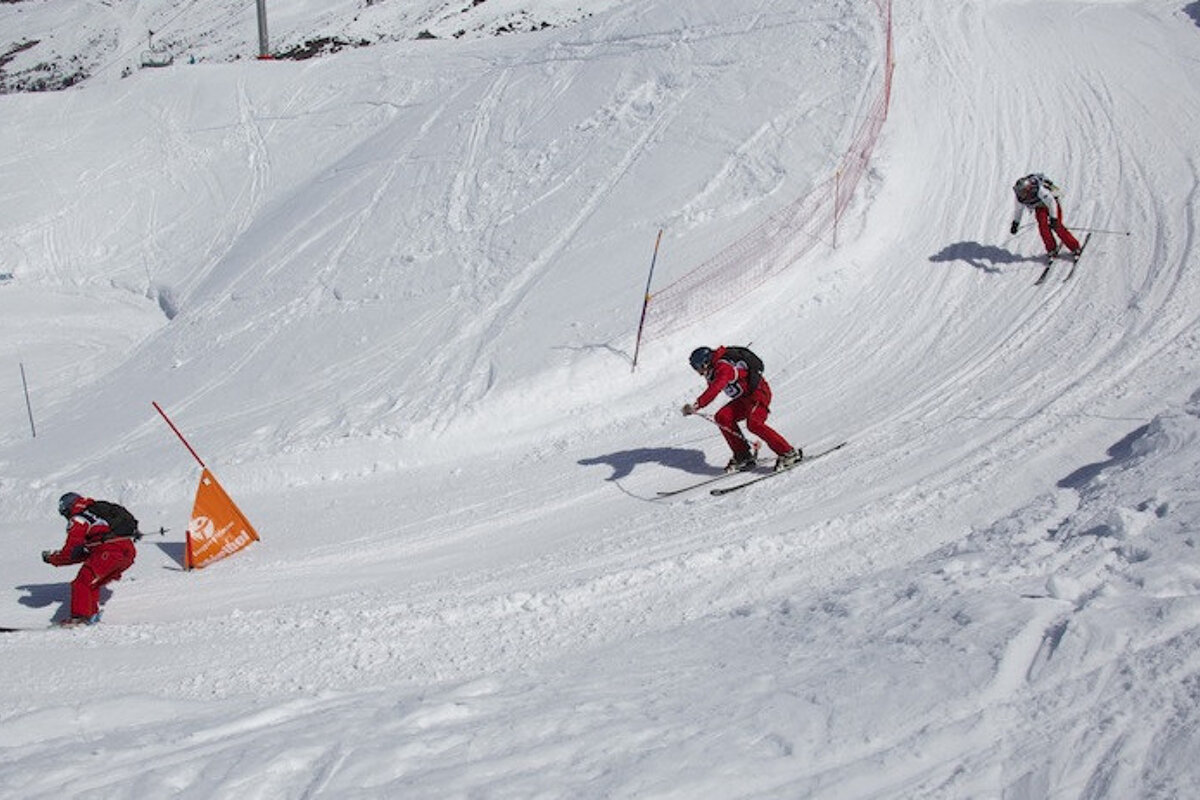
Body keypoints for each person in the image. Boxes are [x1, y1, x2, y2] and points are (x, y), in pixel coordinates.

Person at [681, 346, 801, 473]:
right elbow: (713, 387)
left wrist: (697, 405)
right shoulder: (712, 372)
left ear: (706, 362)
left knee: (753, 424)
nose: (698, 372)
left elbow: (715, 388)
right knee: (722, 417)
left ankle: (788, 452)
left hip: (758, 394)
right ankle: (743, 455)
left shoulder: (723, 367)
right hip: (744, 399)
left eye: (698, 367)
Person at [42, 492, 138, 626]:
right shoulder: (95, 512)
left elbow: (71, 550)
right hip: (127, 552)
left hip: (109, 553)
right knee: (91, 584)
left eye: (64, 513)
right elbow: (83, 553)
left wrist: (53, 559)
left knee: (81, 583)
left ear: (68, 508)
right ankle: (91, 616)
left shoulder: (79, 519)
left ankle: (80, 618)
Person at [1009, 173, 1082, 259]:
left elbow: (1051, 202)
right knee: (1043, 227)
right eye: (1019, 192)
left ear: (1028, 189)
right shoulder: (1020, 198)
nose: (1020, 194)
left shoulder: (1039, 190)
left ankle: (1075, 247)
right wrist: (1016, 223)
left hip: (1052, 203)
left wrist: (1053, 218)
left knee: (1057, 226)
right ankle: (1051, 249)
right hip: (1039, 206)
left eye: (1022, 192)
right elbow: (1018, 210)